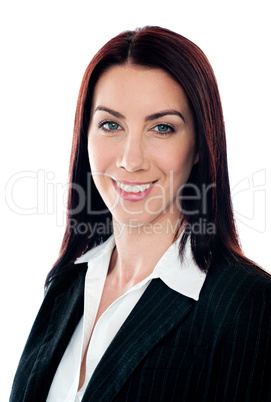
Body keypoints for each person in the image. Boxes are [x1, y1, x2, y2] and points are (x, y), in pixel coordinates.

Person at [10, 26, 271, 402]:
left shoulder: (247, 306)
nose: (131, 160)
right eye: (111, 125)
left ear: (199, 145)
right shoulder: (66, 283)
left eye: (162, 128)